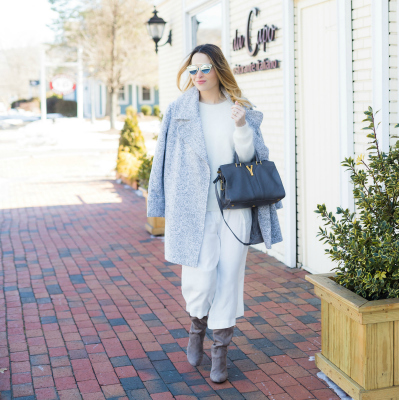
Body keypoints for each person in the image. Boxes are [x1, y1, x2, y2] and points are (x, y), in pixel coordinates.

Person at [146, 43, 283, 383]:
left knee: (229, 279)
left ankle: (219, 352)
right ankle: (196, 329)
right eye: (193, 70)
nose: (198, 75)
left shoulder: (241, 110)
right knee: (200, 279)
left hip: (234, 211)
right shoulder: (178, 111)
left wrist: (241, 128)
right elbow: (161, 162)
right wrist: (157, 203)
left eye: (205, 68)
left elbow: (253, 161)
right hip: (193, 211)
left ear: (219, 69)